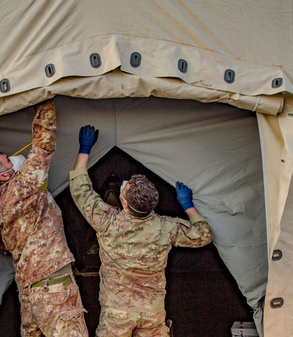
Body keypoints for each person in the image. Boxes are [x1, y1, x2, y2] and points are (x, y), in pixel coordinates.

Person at [68, 125, 214, 336]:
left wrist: (84, 149)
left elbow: (79, 189)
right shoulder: (167, 227)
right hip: (151, 313)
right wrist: (187, 205)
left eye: (124, 189)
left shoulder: (108, 221)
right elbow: (203, 235)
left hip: (117, 313)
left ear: (125, 205)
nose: (123, 186)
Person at [0, 99, 88, 337]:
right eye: (8, 160)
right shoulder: (24, 186)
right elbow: (43, 145)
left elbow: (4, 248)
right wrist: (45, 101)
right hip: (55, 290)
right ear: (3, 176)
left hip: (29, 295)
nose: (13, 158)